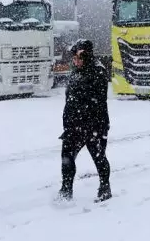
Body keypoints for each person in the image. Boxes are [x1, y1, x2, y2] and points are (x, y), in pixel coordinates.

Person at [58, 39, 112, 202]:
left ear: (87, 56)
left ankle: (105, 187)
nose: (76, 61)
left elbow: (97, 99)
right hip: (74, 125)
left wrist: (91, 125)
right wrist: (68, 122)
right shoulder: (75, 71)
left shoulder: (98, 71)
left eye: (79, 57)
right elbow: (70, 99)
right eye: (74, 58)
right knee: (66, 156)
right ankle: (66, 189)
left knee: (98, 156)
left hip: (94, 124)